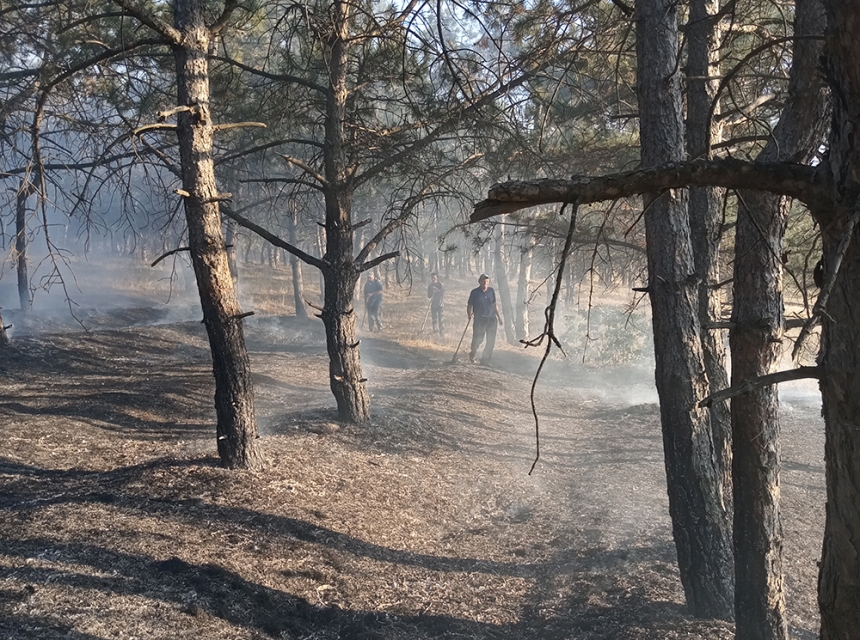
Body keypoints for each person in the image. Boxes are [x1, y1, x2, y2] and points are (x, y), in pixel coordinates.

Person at [467, 274, 502, 365]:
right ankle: (472, 353)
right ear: (479, 281)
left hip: (491, 319)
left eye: (487, 282)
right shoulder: (475, 292)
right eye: (483, 281)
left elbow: (495, 304)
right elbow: (469, 305)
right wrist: (469, 315)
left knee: (491, 341)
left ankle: (485, 360)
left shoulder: (491, 291)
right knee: (478, 339)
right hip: (480, 319)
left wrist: (499, 317)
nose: (485, 283)